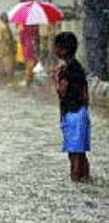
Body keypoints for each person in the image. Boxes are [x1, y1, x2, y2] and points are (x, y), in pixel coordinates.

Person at [50, 31, 90, 182]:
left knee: (74, 154)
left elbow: (62, 92)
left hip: (72, 114)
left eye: (55, 46)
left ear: (62, 49)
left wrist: (56, 78)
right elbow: (85, 93)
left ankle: (77, 180)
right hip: (80, 112)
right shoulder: (76, 66)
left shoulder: (68, 68)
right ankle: (85, 179)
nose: (53, 49)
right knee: (80, 153)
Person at [82, 0, 109, 81]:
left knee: (95, 53)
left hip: (94, 32)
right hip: (101, 31)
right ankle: (100, 73)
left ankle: (97, 72)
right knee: (100, 53)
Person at [0, 12, 17, 85]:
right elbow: (8, 39)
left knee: (2, 67)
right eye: (6, 18)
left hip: (0, 50)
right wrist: (13, 48)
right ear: (3, 19)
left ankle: (1, 83)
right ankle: (10, 83)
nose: (8, 19)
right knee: (9, 68)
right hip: (6, 50)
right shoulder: (5, 27)